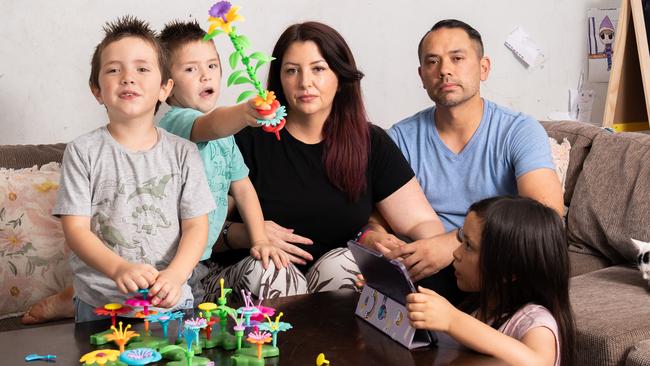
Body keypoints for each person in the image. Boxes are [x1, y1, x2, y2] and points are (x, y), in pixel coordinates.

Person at [203, 21, 445, 301]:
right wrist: (249, 233)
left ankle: (328, 346)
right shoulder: (246, 141)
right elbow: (202, 232)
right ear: (279, 79)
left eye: (318, 69)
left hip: (330, 281)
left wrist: (414, 249)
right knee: (273, 271)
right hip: (247, 280)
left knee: (348, 267)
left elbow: (422, 224)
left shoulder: (370, 142)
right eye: (292, 71)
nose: (305, 82)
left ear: (339, 77)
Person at [367, 20, 563, 298]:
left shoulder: (519, 130)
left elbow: (546, 215)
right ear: (422, 76)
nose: (444, 70)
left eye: (457, 58)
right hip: (422, 264)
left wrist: (454, 243)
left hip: (492, 261)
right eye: (432, 62)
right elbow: (376, 216)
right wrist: (375, 236)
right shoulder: (399, 138)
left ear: (484, 68)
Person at [52, 16, 215, 322]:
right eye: (114, 70)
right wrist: (119, 269)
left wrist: (176, 275)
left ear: (165, 88)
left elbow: (196, 226)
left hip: (170, 300)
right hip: (100, 303)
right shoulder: (82, 151)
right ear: (97, 90)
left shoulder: (184, 153)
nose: (128, 78)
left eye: (142, 69)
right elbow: (75, 229)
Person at [157, 20, 290, 293]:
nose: (205, 76)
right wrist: (244, 112)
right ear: (167, 86)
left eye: (212, 65)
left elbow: (243, 188)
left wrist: (260, 239)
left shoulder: (227, 138)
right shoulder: (176, 123)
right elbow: (212, 124)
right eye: (191, 69)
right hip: (166, 256)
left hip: (202, 256)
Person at [407, 196, 575, 366]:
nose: (455, 253)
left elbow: (538, 362)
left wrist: (452, 320)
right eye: (461, 239)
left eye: (468, 246)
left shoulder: (534, 321)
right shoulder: (480, 306)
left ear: (508, 272)